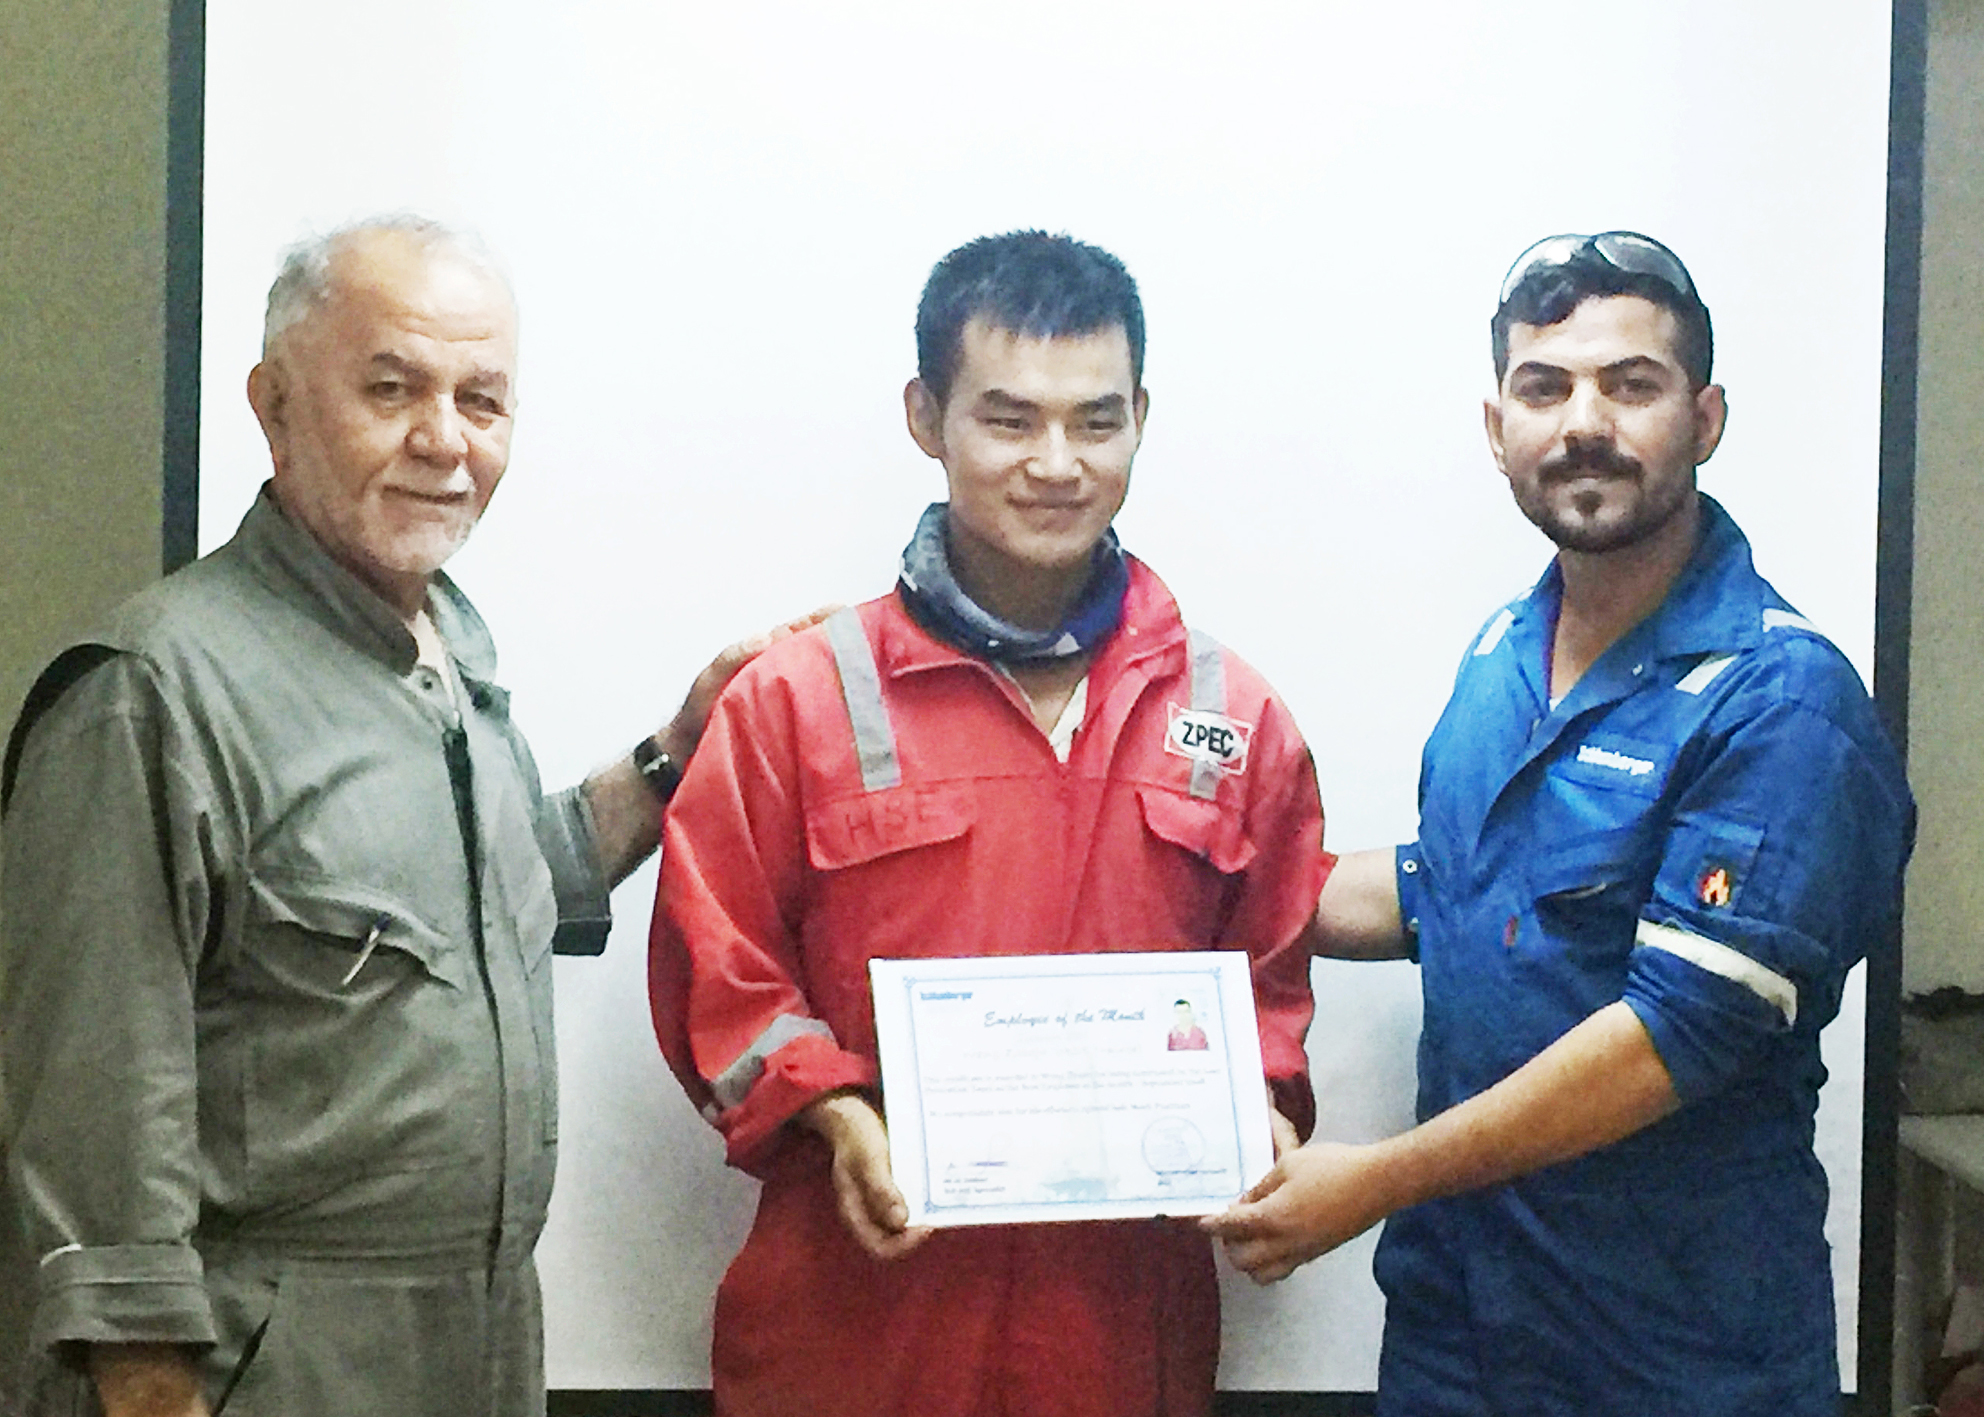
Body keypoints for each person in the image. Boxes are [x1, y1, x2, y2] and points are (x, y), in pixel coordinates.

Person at [0, 216, 815, 1417]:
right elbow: (94, 1118)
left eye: (481, 401)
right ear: (274, 406)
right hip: (262, 1362)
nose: (443, 440)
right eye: (392, 390)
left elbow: (500, 892)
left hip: (476, 1342)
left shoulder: (446, 656)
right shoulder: (152, 692)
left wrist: (674, 755)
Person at [1204, 231, 1915, 1413]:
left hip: (1674, 1360)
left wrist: (1371, 1181)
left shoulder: (1782, 702)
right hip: (1457, 1334)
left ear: (1704, 418)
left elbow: (1665, 1041)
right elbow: (1449, 888)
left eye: (1629, 385)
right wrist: (1169, 881)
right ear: (1498, 431)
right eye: (1544, 388)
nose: (1584, 423)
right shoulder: (1502, 652)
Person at [648, 231, 1329, 1417]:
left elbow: (1268, 986)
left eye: (1096, 421)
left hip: (1117, 1342)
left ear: (1140, 419)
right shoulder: (799, 700)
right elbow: (720, 971)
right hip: (856, 1326)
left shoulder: (1234, 717)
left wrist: (1258, 1115)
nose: (1056, 464)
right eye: (1009, 420)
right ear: (927, 417)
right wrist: (833, 1113)